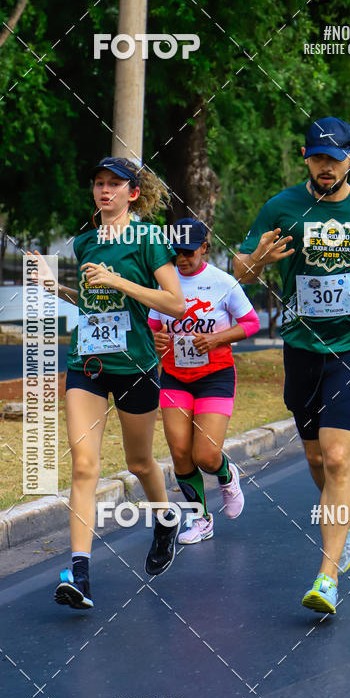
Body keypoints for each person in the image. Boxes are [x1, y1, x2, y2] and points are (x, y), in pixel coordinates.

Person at [234, 117, 350, 615]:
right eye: (317, 157)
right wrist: (260, 260)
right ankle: (343, 516)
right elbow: (239, 270)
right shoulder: (281, 206)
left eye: (334, 157)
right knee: (314, 460)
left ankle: (327, 576)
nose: (325, 166)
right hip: (301, 346)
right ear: (306, 158)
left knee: (335, 458)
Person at [30, 157, 185, 610]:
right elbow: (93, 301)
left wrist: (119, 279)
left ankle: (166, 518)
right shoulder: (84, 241)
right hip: (88, 363)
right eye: (99, 183)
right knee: (83, 466)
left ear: (132, 193)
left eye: (115, 184)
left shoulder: (149, 240)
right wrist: (53, 285)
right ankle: (80, 573)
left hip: (135, 365)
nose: (104, 191)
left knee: (139, 463)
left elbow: (174, 302)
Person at [148, 218, 259, 543]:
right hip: (174, 377)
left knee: (206, 455)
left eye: (188, 252)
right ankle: (201, 520)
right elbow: (151, 326)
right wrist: (156, 338)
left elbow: (250, 323)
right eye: (176, 253)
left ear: (204, 248)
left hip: (215, 376)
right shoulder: (164, 284)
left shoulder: (222, 282)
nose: (182, 259)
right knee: (180, 452)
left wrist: (217, 339)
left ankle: (226, 474)